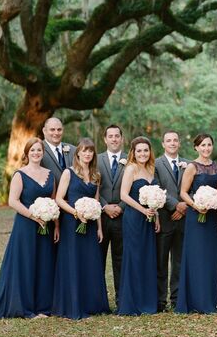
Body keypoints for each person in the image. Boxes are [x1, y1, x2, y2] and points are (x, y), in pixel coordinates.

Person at [0, 137, 58, 319]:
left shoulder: (50, 174)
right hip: (26, 226)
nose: (36, 153)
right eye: (32, 150)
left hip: (46, 227)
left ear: (43, 153)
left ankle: (43, 306)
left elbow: (54, 201)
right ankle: (26, 308)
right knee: (26, 264)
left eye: (39, 150)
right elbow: (13, 201)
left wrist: (55, 225)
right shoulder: (20, 174)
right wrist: (33, 216)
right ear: (27, 153)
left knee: (44, 264)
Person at [52, 138, 110, 319]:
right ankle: (73, 304)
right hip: (72, 223)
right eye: (84, 151)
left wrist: (99, 227)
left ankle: (92, 303)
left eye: (90, 151)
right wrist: (76, 213)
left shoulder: (96, 175)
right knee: (74, 261)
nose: (87, 154)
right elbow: (60, 199)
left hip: (91, 224)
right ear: (77, 153)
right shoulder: (69, 173)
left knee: (90, 262)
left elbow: (97, 201)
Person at [176, 134, 217, 314]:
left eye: (209, 145)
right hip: (197, 217)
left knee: (212, 258)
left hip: (213, 218)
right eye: (202, 145)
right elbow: (183, 192)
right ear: (196, 147)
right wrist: (197, 205)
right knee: (197, 257)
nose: (206, 148)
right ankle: (197, 300)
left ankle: (213, 298)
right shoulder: (191, 167)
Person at [117, 136, 160, 315]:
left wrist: (155, 215)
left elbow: (154, 197)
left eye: (146, 150)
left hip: (149, 219)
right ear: (133, 153)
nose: (143, 153)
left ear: (150, 152)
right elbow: (124, 196)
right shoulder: (131, 169)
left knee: (147, 257)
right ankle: (132, 303)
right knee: (134, 257)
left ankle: (147, 301)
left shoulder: (151, 169)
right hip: (134, 218)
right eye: (139, 150)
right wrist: (143, 211)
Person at [154, 130, 189, 311]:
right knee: (161, 261)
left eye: (175, 140)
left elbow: (192, 188)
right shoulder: (156, 164)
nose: (173, 143)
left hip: (183, 219)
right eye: (169, 140)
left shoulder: (188, 164)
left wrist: (183, 207)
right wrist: (176, 205)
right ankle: (160, 301)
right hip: (165, 218)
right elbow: (157, 188)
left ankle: (177, 298)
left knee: (179, 261)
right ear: (163, 144)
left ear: (179, 143)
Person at [98, 124, 126, 308]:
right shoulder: (96, 159)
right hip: (100, 217)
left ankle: (121, 300)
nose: (114, 139)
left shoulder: (130, 159)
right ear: (105, 139)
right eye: (111, 136)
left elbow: (135, 187)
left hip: (123, 217)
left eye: (117, 136)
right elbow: (89, 184)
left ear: (122, 138)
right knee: (98, 259)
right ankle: (99, 302)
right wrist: (105, 206)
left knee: (121, 260)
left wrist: (121, 207)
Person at [41, 117, 76, 189]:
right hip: (48, 197)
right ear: (44, 131)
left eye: (59, 130)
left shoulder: (73, 150)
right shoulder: (38, 150)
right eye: (52, 130)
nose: (56, 133)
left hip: (73, 197)